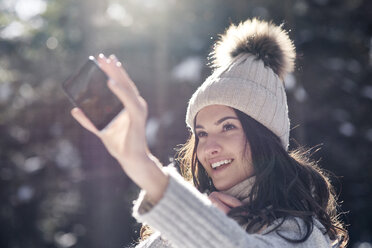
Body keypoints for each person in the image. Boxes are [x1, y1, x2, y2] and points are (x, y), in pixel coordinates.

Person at [71, 18, 348, 247]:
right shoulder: (200, 213)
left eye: (228, 127)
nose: (208, 147)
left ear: (266, 137)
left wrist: (143, 167)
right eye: (201, 133)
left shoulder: (301, 232)